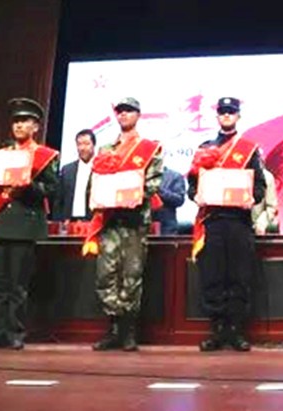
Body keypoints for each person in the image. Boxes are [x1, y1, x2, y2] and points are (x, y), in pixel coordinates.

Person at [0, 98, 59, 350]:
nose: (19, 125)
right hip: (0, 221)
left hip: (24, 223)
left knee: (17, 285)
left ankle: (14, 333)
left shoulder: (45, 156)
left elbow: (51, 190)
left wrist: (29, 184)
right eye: (16, 121)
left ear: (36, 126)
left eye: (25, 121)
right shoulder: (1, 154)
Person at [83, 97, 163, 352]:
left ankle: (128, 331)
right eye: (120, 111)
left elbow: (153, 184)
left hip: (135, 222)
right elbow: (94, 184)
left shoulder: (150, 148)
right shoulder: (105, 149)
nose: (124, 115)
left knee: (131, 277)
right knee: (105, 276)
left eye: (129, 111)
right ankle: (113, 328)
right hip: (110, 222)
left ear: (138, 115)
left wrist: (128, 194)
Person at [188, 97, 266, 352]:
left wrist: (251, 197)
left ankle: (236, 331)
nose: (226, 115)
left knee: (239, 277)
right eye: (222, 112)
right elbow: (192, 186)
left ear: (238, 116)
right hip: (212, 222)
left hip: (239, 222)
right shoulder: (205, 148)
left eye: (231, 112)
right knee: (213, 277)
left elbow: (259, 187)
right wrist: (196, 195)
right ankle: (217, 330)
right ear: (217, 116)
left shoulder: (249, 150)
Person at [56, 129, 95, 220]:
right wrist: (59, 220)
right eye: (79, 144)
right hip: (69, 220)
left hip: (92, 220)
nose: (82, 148)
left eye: (86, 144)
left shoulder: (100, 168)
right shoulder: (67, 170)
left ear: (93, 145)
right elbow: (59, 199)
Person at [152, 167, 186, 235]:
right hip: (140, 225)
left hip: (167, 226)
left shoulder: (174, 176)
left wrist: (160, 191)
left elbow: (179, 200)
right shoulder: (136, 175)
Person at [251, 159, 279, 235]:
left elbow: (271, 207)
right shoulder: (231, 174)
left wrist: (261, 222)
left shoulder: (267, 177)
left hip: (257, 225)